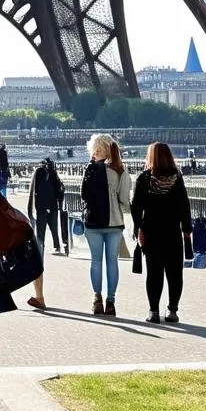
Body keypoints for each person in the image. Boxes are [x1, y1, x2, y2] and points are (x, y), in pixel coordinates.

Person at [131, 141, 192, 324]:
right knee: (175, 274)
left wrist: (138, 228)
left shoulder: (144, 179)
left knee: (154, 274)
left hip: (151, 231)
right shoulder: (177, 178)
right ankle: (172, 310)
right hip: (172, 231)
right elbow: (184, 205)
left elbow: (136, 206)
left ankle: (154, 311)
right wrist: (186, 230)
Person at [80, 134, 131, 317]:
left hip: (93, 223)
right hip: (115, 223)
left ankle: (97, 299)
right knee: (112, 262)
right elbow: (125, 200)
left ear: (96, 151)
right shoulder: (120, 171)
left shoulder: (90, 169)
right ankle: (111, 301)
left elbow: (83, 195)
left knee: (96, 261)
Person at [25, 156, 66, 311]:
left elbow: (32, 192)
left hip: (41, 209)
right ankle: (58, 245)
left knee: (40, 239)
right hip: (53, 208)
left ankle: (40, 255)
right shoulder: (53, 172)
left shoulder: (38, 172)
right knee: (54, 230)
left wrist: (30, 212)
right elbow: (60, 191)